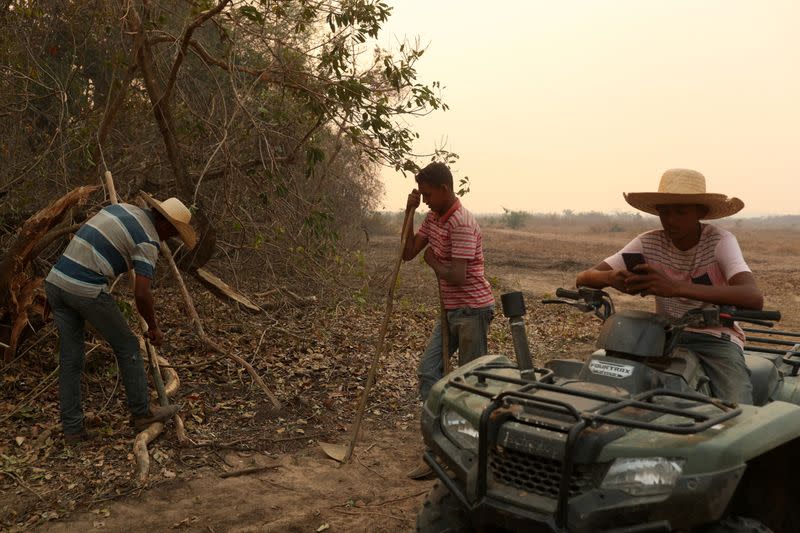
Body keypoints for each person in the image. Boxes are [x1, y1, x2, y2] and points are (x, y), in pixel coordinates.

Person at [576, 168, 763, 404]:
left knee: (737, 409)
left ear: (700, 212)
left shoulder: (719, 242)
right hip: (660, 335)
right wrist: (612, 278)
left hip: (714, 339)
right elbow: (584, 277)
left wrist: (673, 287)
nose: (671, 220)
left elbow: (753, 296)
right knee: (607, 389)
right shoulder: (648, 242)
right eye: (664, 212)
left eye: (680, 212)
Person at [44, 193, 197, 441]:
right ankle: (142, 413)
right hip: (85, 288)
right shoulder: (148, 240)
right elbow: (142, 293)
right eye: (174, 232)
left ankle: (72, 428)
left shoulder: (123, 209)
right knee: (128, 347)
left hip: (56, 283)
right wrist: (154, 327)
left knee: (71, 360)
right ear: (165, 224)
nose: (171, 237)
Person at [402, 162, 495, 478]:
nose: (425, 199)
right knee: (429, 371)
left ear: (444, 189)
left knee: (472, 386)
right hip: (450, 311)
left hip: (472, 310)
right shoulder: (432, 217)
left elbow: (457, 274)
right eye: (422, 196)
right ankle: (440, 445)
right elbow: (407, 252)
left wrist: (433, 264)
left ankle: (469, 453)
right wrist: (409, 212)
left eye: (428, 194)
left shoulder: (461, 223)